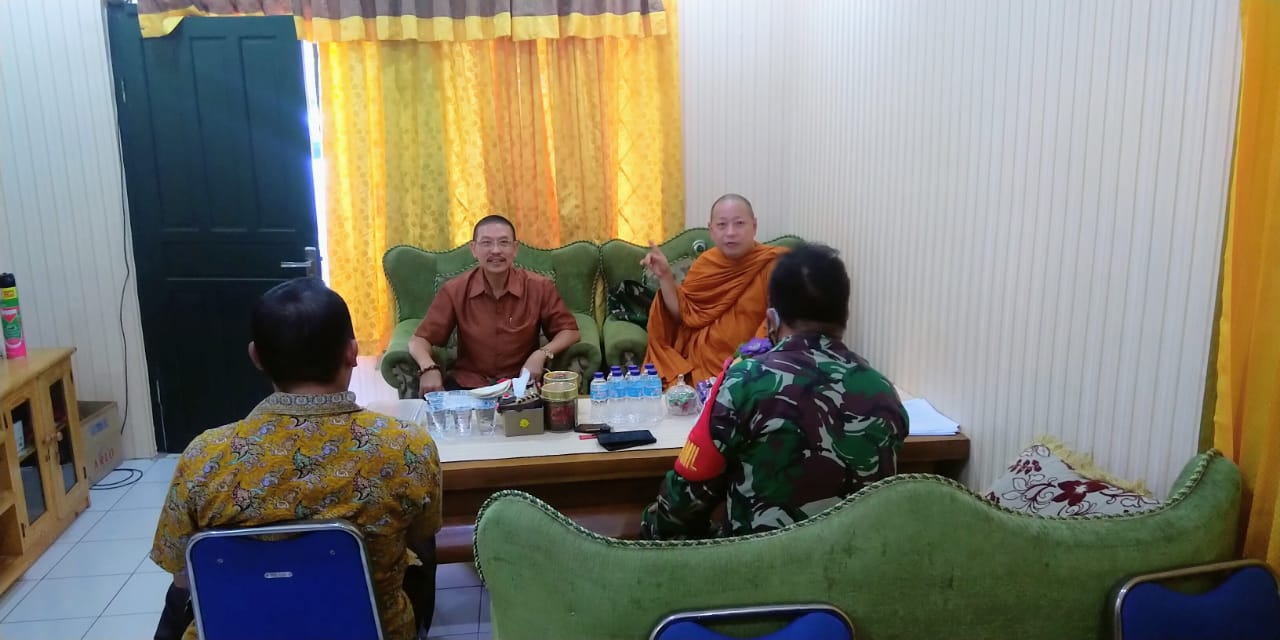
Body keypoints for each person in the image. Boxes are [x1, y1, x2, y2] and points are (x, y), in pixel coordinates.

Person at [150, 279, 442, 640]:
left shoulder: (204, 454)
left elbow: (182, 576)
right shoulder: (405, 446)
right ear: (351, 352)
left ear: (256, 357)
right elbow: (422, 533)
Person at [641, 244, 909, 540]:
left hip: (761, 563)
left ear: (771, 320)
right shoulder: (882, 390)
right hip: (856, 563)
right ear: (845, 315)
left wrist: (649, 526)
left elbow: (682, 507)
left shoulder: (744, 382)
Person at [410, 215, 580, 395]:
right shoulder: (455, 290)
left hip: (521, 385)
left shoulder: (539, 287)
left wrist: (542, 353)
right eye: (486, 243)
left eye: (504, 242)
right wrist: (428, 368)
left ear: (515, 249)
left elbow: (570, 331)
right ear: (473, 249)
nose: (496, 250)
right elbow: (418, 341)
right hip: (469, 385)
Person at [642, 194, 788, 385]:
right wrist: (665, 276)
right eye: (722, 225)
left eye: (739, 223)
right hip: (701, 362)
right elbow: (685, 314)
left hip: (748, 364)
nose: (730, 232)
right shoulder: (706, 264)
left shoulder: (774, 264)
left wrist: (746, 361)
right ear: (711, 230)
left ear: (754, 226)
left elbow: (776, 322)